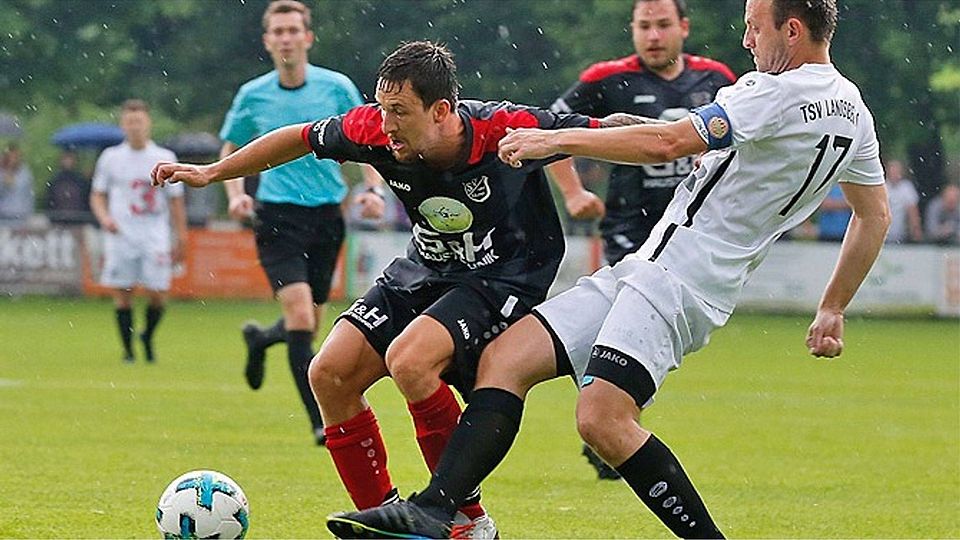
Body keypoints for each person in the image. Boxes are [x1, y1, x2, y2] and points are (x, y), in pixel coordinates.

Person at [328, 1, 891, 538]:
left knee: (602, 421)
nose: (747, 40)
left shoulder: (774, 91)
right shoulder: (854, 110)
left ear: (791, 31)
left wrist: (555, 138)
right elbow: (875, 216)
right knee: (505, 360)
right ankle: (438, 512)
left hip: (681, 279)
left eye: (755, 26)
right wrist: (833, 306)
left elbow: (668, 141)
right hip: (650, 268)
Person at [152, 40, 616, 539]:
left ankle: (466, 521)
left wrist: (693, 134)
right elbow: (297, 138)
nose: (386, 122)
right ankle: (391, 524)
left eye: (399, 111)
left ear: (441, 111)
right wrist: (214, 172)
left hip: (504, 274)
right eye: (381, 106)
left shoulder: (503, 129)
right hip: (427, 265)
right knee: (329, 373)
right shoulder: (373, 128)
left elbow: (604, 133)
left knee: (411, 360)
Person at [548, 0, 736, 480]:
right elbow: (549, 130)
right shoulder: (606, 79)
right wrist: (574, 193)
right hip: (630, 232)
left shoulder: (718, 79)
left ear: (684, 28)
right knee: (621, 330)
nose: (654, 36)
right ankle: (611, 422)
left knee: (642, 334)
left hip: (693, 236)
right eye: (644, 26)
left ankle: (611, 422)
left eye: (663, 25)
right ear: (632, 30)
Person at [217, 0, 384, 447]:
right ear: (268, 41)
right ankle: (319, 421)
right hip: (276, 215)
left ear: (307, 38)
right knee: (299, 314)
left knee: (308, 325)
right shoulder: (253, 94)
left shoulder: (336, 87)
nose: (286, 38)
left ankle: (259, 339)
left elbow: (367, 141)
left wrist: (373, 190)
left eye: (294, 30)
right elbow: (230, 147)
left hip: (326, 216)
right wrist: (236, 196)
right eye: (278, 31)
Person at [89, 99, 187, 363]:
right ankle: (129, 350)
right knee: (122, 293)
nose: (135, 126)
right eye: (130, 121)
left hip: (154, 234)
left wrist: (181, 236)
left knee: (158, 293)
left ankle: (147, 335)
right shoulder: (111, 158)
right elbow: (97, 195)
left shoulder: (164, 157)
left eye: (139, 121)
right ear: (123, 124)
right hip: (122, 234)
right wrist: (105, 217)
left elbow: (176, 200)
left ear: (148, 123)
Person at [45, 149, 94, 224]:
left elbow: (87, 200)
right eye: (66, 158)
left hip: (79, 222)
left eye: (70, 158)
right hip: (58, 222)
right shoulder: (55, 181)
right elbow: (49, 201)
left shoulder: (81, 181)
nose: (68, 161)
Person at [883, 159, 922, 244]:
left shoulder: (907, 188)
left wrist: (915, 230)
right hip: (883, 235)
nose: (895, 175)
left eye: (897, 172)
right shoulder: (882, 187)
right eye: (892, 172)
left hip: (902, 236)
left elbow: (913, 211)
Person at [0, 143, 35, 224]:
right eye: (10, 157)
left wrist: (29, 213)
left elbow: (29, 194)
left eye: (15, 157)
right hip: (4, 214)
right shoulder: (2, 172)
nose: (13, 160)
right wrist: (4, 185)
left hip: (21, 215)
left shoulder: (25, 173)